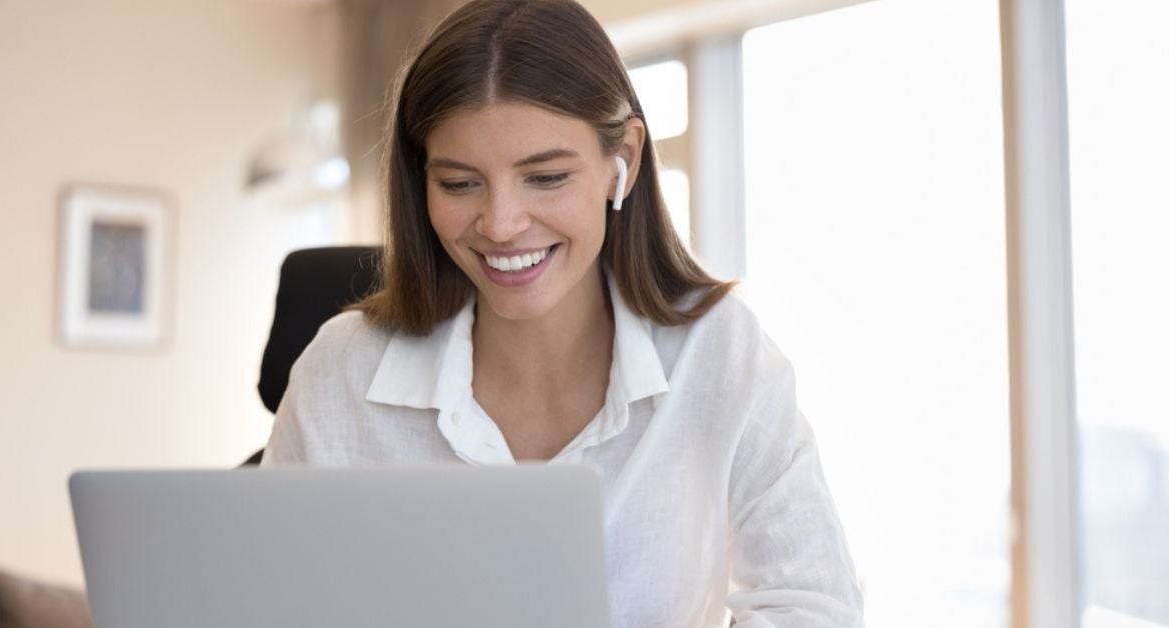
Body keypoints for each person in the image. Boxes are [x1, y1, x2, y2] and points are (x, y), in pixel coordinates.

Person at [262, 0, 863, 625]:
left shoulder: (718, 352)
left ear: (621, 161)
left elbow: (813, 604)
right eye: (460, 183)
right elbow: (261, 600)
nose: (500, 224)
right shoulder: (342, 371)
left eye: (545, 177)